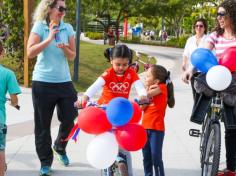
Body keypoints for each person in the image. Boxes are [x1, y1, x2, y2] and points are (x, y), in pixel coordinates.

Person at [75, 44, 148, 176]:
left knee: (124, 143)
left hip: (121, 112)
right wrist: (84, 97)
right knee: (104, 139)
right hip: (105, 111)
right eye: (118, 64)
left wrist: (143, 95)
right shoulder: (108, 73)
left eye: (125, 64)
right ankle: (104, 165)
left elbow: (139, 86)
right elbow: (95, 86)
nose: (121, 68)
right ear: (111, 60)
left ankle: (126, 168)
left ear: (129, 63)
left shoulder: (131, 73)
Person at [185, 1, 236, 175]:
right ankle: (205, 119)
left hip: (233, 80)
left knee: (232, 127)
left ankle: (231, 168)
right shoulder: (215, 35)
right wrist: (190, 70)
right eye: (218, 14)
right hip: (216, 74)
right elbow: (203, 54)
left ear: (232, 14)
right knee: (199, 81)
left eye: (222, 14)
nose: (219, 18)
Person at [27, 0, 77, 175]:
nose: (63, 11)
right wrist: (48, 38)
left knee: (71, 117)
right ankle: (45, 162)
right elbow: (30, 52)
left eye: (65, 9)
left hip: (64, 82)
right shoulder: (39, 27)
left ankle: (60, 147)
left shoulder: (68, 28)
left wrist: (65, 49)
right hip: (42, 83)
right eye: (60, 8)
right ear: (49, 9)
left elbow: (72, 56)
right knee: (42, 125)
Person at [141, 65, 175, 176]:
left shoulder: (162, 88)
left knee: (156, 157)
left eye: (147, 76)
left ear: (156, 80)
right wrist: (144, 96)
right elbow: (142, 107)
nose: (145, 78)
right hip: (144, 128)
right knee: (146, 158)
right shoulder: (149, 90)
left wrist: (144, 93)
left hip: (156, 129)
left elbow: (148, 94)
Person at [0, 41, 21, 176]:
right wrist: (13, 103)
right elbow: (14, 100)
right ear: (2, 53)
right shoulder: (8, 74)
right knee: (0, 149)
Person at [182, 18, 208, 100]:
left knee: (202, 95)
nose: (198, 28)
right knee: (195, 95)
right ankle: (197, 111)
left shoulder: (208, 39)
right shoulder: (190, 40)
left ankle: (200, 111)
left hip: (203, 72)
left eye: (201, 26)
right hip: (192, 72)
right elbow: (186, 54)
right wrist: (184, 65)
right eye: (196, 26)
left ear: (205, 28)